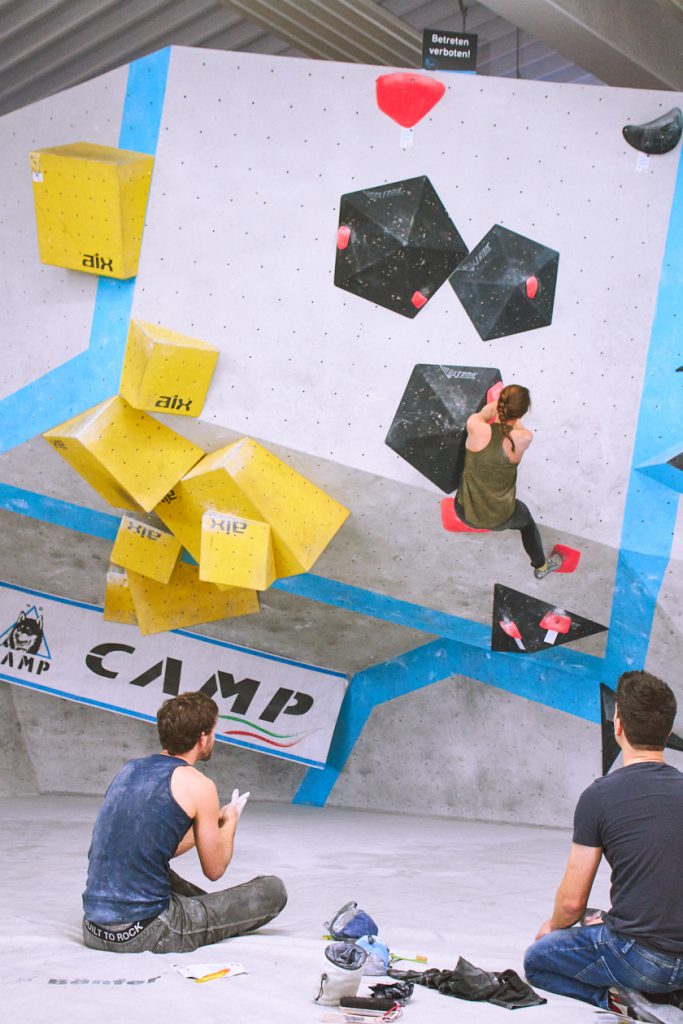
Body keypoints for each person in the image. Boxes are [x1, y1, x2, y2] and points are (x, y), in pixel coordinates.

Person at [524, 670, 683, 1019]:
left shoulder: (600, 796)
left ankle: (622, 1000)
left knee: (537, 961)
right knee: (598, 917)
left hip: (643, 958)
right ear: (668, 732)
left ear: (618, 727)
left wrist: (552, 928)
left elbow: (571, 902)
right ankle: (670, 996)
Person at [82, 691, 287, 953]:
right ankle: (207, 912)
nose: (214, 738)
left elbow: (150, 844)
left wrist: (214, 820)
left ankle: (204, 908)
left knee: (149, 869)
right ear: (203, 738)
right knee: (273, 890)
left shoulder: (130, 769)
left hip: (93, 929)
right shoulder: (199, 784)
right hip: (147, 932)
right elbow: (214, 870)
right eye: (213, 732)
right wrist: (231, 819)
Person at [455, 384, 561, 579]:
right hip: (499, 518)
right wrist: (513, 416)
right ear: (522, 412)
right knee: (526, 523)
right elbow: (517, 427)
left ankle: (472, 522)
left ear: (500, 404)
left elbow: (485, 413)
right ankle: (541, 567)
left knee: (467, 473)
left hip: (463, 511)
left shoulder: (474, 426)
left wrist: (498, 404)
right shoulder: (522, 439)